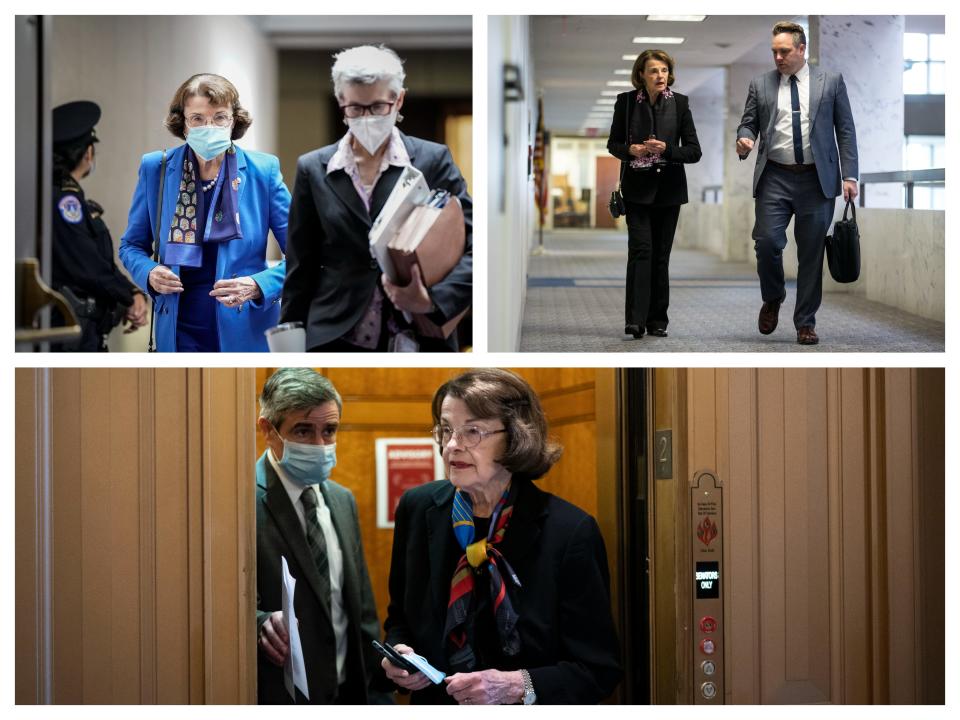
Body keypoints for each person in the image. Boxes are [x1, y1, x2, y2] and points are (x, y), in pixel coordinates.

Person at [381, 369, 621, 704]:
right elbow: (400, 620)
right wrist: (400, 654)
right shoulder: (417, 509)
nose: (452, 445)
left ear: (516, 436)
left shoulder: (570, 532)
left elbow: (598, 670)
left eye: (473, 432)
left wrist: (516, 686)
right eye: (447, 430)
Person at [281, 45, 472, 352]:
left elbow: (474, 246)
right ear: (341, 102)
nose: (367, 118)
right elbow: (301, 264)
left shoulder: (433, 160)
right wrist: (289, 343)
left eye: (378, 107)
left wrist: (432, 300)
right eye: (356, 108)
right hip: (335, 332)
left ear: (399, 100)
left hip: (417, 332)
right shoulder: (313, 168)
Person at [119, 74, 290, 352]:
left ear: (233, 120)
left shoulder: (263, 171)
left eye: (219, 117)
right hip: (178, 324)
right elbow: (131, 246)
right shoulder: (157, 169)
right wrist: (149, 272)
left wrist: (258, 285)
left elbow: (305, 255)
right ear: (183, 124)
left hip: (243, 324)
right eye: (197, 119)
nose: (208, 127)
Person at [255, 368, 389, 704]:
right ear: (268, 430)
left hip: (348, 692)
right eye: (303, 430)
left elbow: (361, 610)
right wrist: (258, 624)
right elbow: (213, 606)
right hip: (282, 695)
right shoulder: (238, 500)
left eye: (329, 431)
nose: (320, 444)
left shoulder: (342, 500)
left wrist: (378, 696)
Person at [736, 21, 859, 346]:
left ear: (801, 49)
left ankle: (805, 322)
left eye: (784, 51)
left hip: (816, 180)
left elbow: (844, 129)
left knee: (811, 254)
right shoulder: (760, 84)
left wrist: (849, 175)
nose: (778, 57)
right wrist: (744, 139)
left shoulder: (830, 82)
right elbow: (748, 123)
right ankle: (773, 297)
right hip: (774, 176)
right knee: (766, 242)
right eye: (774, 51)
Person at [607, 49, 701, 340]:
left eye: (663, 70)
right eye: (653, 71)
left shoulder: (681, 104)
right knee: (640, 252)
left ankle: (657, 320)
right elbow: (613, 144)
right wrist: (630, 150)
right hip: (637, 191)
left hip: (669, 192)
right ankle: (635, 320)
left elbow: (694, 151)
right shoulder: (625, 103)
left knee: (661, 256)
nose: (660, 76)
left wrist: (667, 150)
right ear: (641, 76)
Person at [51, 100, 147, 350]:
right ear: (87, 153)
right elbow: (89, 266)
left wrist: (128, 294)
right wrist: (130, 294)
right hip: (73, 329)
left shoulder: (65, 198)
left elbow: (96, 264)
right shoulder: (65, 202)